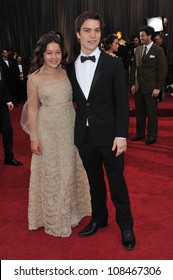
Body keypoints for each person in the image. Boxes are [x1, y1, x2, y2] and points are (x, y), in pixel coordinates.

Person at [67, 11, 136, 250]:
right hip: (85, 137)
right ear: (78, 34)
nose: (92, 35)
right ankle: (99, 218)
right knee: (95, 183)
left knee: (117, 184)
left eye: (96, 30)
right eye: (87, 30)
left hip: (111, 137)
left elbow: (122, 103)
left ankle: (126, 226)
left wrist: (121, 135)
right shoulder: (70, 67)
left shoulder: (114, 64)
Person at [20, 32, 91, 237]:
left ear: (63, 53)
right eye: (49, 53)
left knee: (68, 168)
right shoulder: (34, 79)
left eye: (57, 52)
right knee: (52, 172)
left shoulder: (69, 71)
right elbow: (33, 109)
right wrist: (34, 137)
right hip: (47, 129)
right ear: (42, 54)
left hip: (69, 125)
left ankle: (71, 212)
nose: (53, 57)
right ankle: (53, 216)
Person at [130, 26, 167, 145]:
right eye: (140, 36)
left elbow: (162, 71)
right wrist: (132, 84)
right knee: (139, 113)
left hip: (151, 88)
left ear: (149, 36)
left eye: (143, 36)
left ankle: (152, 135)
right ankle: (139, 133)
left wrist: (158, 87)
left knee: (151, 113)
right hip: (138, 87)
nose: (140, 38)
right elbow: (134, 69)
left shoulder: (158, 51)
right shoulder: (138, 50)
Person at [0, 61, 23, 166]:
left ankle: (9, 157)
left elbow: (2, 84)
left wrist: (8, 100)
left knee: (8, 130)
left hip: (1, 105)